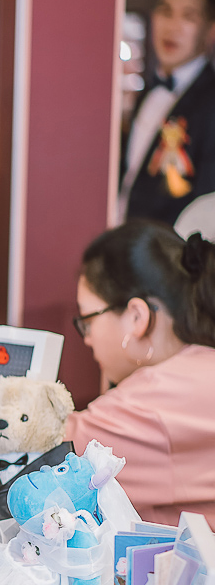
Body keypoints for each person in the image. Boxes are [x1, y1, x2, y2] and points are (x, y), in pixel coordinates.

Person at [65, 219, 215, 526]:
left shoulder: (159, 396)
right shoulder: (201, 366)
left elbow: (47, 452)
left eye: (88, 320)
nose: (87, 338)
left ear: (136, 316)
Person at [120, 0, 215, 225]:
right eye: (165, 11)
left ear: (211, 31)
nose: (172, 27)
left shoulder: (211, 102)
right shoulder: (148, 92)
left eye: (188, 17)